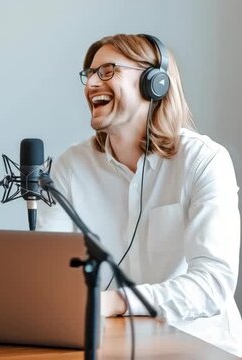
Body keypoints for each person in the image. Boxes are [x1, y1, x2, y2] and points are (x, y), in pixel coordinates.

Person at [37, 34, 242, 356]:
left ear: (154, 83)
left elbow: (212, 285)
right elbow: (49, 275)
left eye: (106, 71)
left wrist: (117, 301)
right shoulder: (70, 166)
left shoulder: (204, 160)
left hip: (199, 345)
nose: (91, 83)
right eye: (88, 74)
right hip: (109, 344)